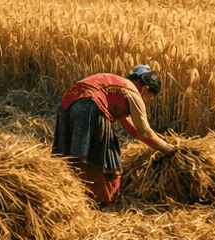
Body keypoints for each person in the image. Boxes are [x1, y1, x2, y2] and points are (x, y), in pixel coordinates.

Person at [52, 65, 177, 204]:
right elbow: (144, 131)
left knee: (70, 156)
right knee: (108, 155)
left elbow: (133, 130)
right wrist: (169, 150)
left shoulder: (119, 87)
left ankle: (66, 194)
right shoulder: (134, 92)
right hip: (91, 106)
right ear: (146, 89)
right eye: (151, 98)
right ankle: (99, 198)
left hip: (68, 106)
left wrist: (159, 141)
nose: (148, 102)